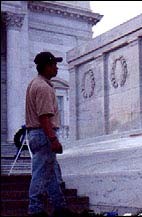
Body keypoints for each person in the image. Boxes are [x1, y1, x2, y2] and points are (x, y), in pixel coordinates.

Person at [25, 51, 71, 217]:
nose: (56, 68)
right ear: (47, 66)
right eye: (54, 65)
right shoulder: (43, 88)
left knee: (50, 173)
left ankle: (60, 208)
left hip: (37, 134)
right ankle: (35, 209)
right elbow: (44, 117)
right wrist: (53, 139)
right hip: (43, 134)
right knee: (40, 172)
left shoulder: (34, 83)